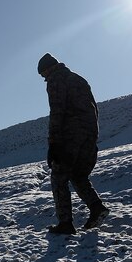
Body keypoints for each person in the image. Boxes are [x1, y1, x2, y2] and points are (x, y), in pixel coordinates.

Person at [38, 53, 109, 234]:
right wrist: (92, 134)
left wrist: (54, 143)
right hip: (89, 133)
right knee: (78, 175)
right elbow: (94, 107)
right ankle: (96, 208)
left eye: (43, 75)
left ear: (48, 69)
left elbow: (57, 111)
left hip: (70, 135)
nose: (44, 79)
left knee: (58, 176)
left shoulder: (56, 80)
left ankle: (65, 223)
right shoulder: (78, 79)